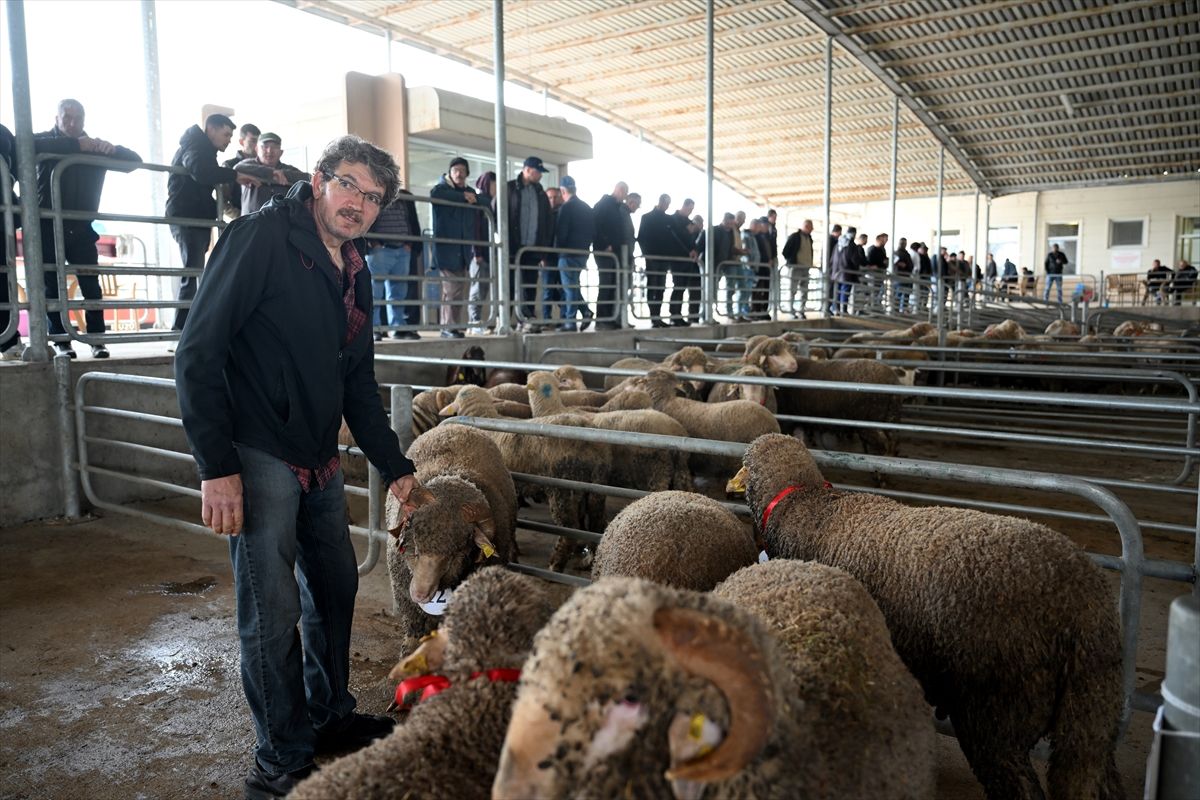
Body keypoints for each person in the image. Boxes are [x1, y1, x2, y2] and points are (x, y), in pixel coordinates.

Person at [175, 135, 419, 800]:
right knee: (271, 606)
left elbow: (358, 382)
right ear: (318, 180)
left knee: (337, 587)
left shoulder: (354, 268)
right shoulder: (260, 239)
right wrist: (215, 465)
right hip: (258, 450)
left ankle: (328, 715)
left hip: (320, 456)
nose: (358, 204)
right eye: (349, 185)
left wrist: (394, 464)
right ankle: (280, 757)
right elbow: (197, 350)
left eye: (373, 197)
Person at [35, 99, 141, 359]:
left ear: (84, 120)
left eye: (77, 118)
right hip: (47, 225)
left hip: (81, 227)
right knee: (51, 285)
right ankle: (61, 341)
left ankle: (96, 339)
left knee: (91, 284)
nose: (72, 123)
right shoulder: (44, 140)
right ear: (56, 118)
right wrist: (74, 146)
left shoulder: (93, 146)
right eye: (66, 117)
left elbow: (134, 161)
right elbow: (22, 145)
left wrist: (112, 149)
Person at [166, 113, 261, 331]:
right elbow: (201, 171)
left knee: (195, 267)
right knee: (193, 268)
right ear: (211, 129)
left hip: (195, 215)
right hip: (187, 215)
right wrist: (234, 176)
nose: (228, 140)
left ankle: (186, 324)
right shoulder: (194, 147)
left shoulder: (201, 148)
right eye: (226, 134)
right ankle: (182, 325)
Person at [430, 156, 478, 338]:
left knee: (458, 291)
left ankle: (453, 326)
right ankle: (448, 327)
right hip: (447, 251)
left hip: (463, 251)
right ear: (449, 172)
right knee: (452, 290)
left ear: (467, 174)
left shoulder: (470, 192)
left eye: (462, 170)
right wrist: (463, 197)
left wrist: (469, 196)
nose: (459, 173)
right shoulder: (441, 189)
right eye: (455, 170)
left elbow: (484, 201)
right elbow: (436, 195)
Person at [365, 187, 422, 340]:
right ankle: (374, 329)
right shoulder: (374, 195)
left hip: (402, 250)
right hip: (381, 250)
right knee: (374, 293)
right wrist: (374, 243)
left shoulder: (404, 197)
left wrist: (409, 244)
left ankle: (398, 328)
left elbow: (410, 221)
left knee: (399, 293)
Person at [505, 156, 552, 331]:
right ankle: (504, 320)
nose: (540, 176)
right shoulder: (509, 188)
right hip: (512, 248)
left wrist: (543, 250)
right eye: (538, 172)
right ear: (527, 170)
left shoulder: (540, 193)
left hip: (533, 248)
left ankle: (526, 320)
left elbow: (547, 222)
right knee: (509, 285)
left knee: (530, 285)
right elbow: (497, 214)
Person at [552, 175, 595, 331]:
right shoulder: (586, 208)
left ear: (563, 191)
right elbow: (592, 231)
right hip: (582, 254)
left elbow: (561, 232)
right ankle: (585, 311)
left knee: (569, 288)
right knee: (574, 286)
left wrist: (558, 251)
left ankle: (570, 321)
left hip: (568, 254)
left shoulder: (566, 207)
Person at [233, 132, 308, 215]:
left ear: (281, 152)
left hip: (282, 223)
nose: (269, 151)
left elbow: (307, 178)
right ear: (257, 149)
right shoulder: (247, 165)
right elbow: (237, 168)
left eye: (274, 147)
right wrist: (272, 173)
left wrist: (282, 174)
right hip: (252, 223)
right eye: (265, 147)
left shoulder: (288, 170)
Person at [591, 181, 628, 329]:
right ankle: (601, 319)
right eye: (624, 194)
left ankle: (610, 317)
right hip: (605, 252)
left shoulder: (615, 207)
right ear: (619, 190)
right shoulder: (604, 205)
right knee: (606, 284)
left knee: (612, 284)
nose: (624, 198)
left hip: (614, 253)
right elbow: (595, 226)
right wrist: (604, 244)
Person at [637, 194, 675, 328]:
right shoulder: (647, 218)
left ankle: (657, 316)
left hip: (663, 259)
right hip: (652, 258)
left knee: (661, 288)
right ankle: (654, 316)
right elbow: (641, 238)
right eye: (666, 203)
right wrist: (647, 255)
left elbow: (673, 239)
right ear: (660, 202)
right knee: (652, 287)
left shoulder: (668, 220)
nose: (667, 206)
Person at [468, 170, 497, 334]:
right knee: (477, 288)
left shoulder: (489, 202)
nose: (496, 188)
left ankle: (476, 321)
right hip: (478, 253)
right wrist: (477, 251)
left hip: (487, 252)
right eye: (494, 184)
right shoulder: (479, 201)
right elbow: (475, 228)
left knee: (483, 288)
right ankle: (474, 322)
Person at [667, 199, 699, 326]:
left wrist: (695, 250)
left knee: (683, 287)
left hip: (688, 260)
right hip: (677, 259)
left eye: (692, 210)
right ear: (684, 206)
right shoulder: (672, 219)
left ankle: (678, 314)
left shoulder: (689, 222)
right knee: (678, 286)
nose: (690, 211)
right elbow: (676, 238)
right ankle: (674, 314)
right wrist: (688, 232)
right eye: (689, 209)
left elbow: (693, 240)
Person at [222, 123, 260, 217]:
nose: (256, 146)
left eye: (259, 142)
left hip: (263, 220)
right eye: (253, 141)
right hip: (241, 222)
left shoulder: (266, 167)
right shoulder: (229, 166)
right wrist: (240, 216)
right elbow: (222, 201)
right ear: (241, 142)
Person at [540, 185, 564, 327]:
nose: (553, 200)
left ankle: (562, 319)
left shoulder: (563, 213)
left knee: (562, 289)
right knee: (548, 290)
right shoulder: (543, 215)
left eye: (555, 197)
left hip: (561, 256)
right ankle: (546, 320)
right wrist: (542, 257)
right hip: (548, 257)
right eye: (550, 197)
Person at [781, 219, 814, 318]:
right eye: (810, 227)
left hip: (806, 267)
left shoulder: (809, 238)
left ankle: (801, 310)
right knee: (793, 289)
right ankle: (790, 310)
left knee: (804, 290)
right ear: (806, 226)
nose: (812, 229)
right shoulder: (795, 237)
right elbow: (785, 251)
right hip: (796, 267)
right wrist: (792, 262)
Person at [864, 233, 889, 312]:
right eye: (884, 239)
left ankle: (876, 306)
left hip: (880, 274)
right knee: (873, 291)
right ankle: (870, 307)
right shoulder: (872, 249)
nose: (886, 241)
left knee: (879, 291)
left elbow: (884, 261)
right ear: (879, 239)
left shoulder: (883, 250)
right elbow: (869, 262)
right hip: (873, 274)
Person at [892, 236, 912, 313]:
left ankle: (902, 309)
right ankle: (896, 310)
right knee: (899, 294)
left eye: (904, 243)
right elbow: (893, 264)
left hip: (906, 276)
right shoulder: (896, 253)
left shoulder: (906, 253)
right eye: (902, 243)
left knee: (905, 294)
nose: (903, 244)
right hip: (899, 276)